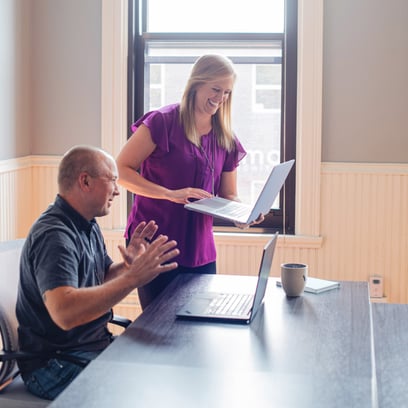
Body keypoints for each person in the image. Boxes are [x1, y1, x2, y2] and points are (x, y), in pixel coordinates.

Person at [16, 145, 179, 400]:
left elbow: (101, 278)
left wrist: (127, 265)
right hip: (54, 366)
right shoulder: (55, 236)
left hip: (87, 351)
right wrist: (133, 277)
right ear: (85, 181)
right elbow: (65, 313)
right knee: (149, 393)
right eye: (113, 180)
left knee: (167, 368)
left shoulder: (86, 224)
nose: (117, 190)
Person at [116, 54, 262, 310]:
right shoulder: (162, 122)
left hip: (200, 248)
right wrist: (169, 194)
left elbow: (229, 194)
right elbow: (121, 170)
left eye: (227, 92)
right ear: (196, 84)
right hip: (155, 245)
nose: (220, 98)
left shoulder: (225, 137)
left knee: (199, 329)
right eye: (215, 89)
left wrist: (244, 213)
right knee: (159, 330)